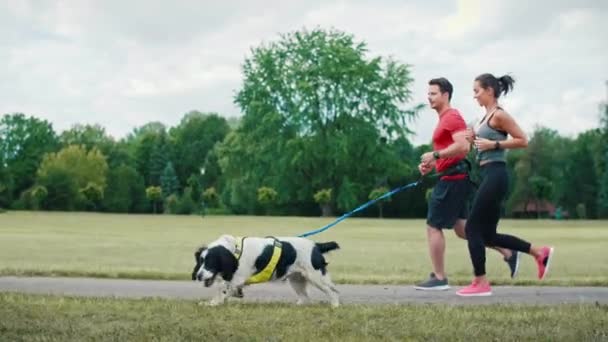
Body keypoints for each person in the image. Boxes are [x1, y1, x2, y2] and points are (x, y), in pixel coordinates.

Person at [457, 73, 554, 297]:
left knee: (472, 229)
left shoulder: (499, 115)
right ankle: (539, 253)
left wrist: (494, 143)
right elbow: (483, 147)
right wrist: (474, 140)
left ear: (489, 90)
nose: (474, 96)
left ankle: (480, 282)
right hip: (488, 174)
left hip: (496, 175)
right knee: (488, 235)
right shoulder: (484, 118)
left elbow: (523, 139)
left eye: (477, 91)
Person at [416, 77, 516, 291]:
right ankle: (508, 251)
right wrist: (433, 164)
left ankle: (439, 277)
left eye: (433, 93)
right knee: (464, 229)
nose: (429, 97)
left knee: (433, 226)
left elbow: (462, 148)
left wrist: (435, 155)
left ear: (445, 95)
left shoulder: (451, 117)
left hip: (453, 180)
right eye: (429, 93)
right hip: (453, 176)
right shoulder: (444, 118)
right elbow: (452, 153)